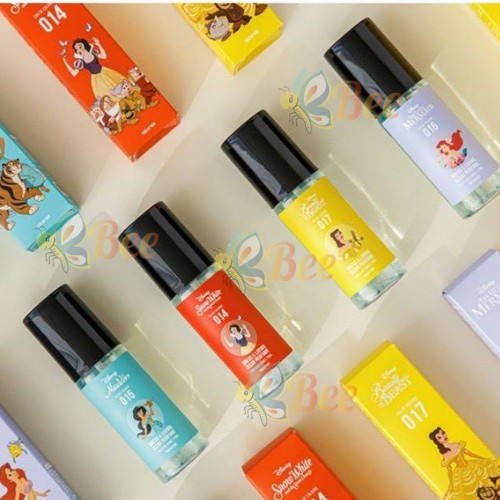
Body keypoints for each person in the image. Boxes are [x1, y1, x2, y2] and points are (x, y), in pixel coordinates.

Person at [428, 427, 500, 499]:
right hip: (462, 472)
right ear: (437, 442)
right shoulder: (446, 454)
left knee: (487, 479)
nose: (443, 436)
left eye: (443, 433)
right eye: (439, 437)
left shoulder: (457, 444)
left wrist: (483, 459)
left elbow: (469, 453)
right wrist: (452, 486)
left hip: (471, 465)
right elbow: (449, 471)